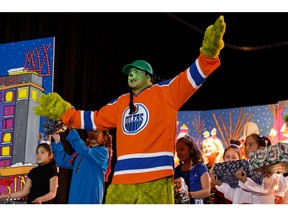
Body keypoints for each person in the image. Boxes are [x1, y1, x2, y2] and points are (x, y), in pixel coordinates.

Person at [33, 15, 226, 204]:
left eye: (136, 71)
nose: (131, 75)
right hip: (123, 179)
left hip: (156, 177)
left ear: (148, 76)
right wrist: (66, 112)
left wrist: (208, 54)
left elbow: (192, 77)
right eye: (129, 73)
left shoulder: (165, 92)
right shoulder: (121, 102)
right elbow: (94, 119)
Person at [211, 134, 280, 204]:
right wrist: (220, 184)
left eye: (250, 145)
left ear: (261, 148)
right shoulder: (242, 167)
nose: (246, 148)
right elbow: (235, 196)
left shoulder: (268, 169)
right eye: (245, 145)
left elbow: (264, 189)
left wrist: (245, 181)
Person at [51, 127, 111, 204]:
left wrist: (71, 129)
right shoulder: (81, 154)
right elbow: (63, 161)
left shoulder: (103, 152)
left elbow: (83, 149)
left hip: (90, 193)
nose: (92, 134)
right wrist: (57, 140)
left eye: (96, 131)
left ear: (104, 138)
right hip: (76, 193)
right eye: (90, 131)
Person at [174, 135, 210, 204]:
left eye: (181, 149)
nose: (179, 154)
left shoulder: (201, 168)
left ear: (191, 149)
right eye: (177, 151)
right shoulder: (176, 171)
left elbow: (207, 191)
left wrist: (187, 195)